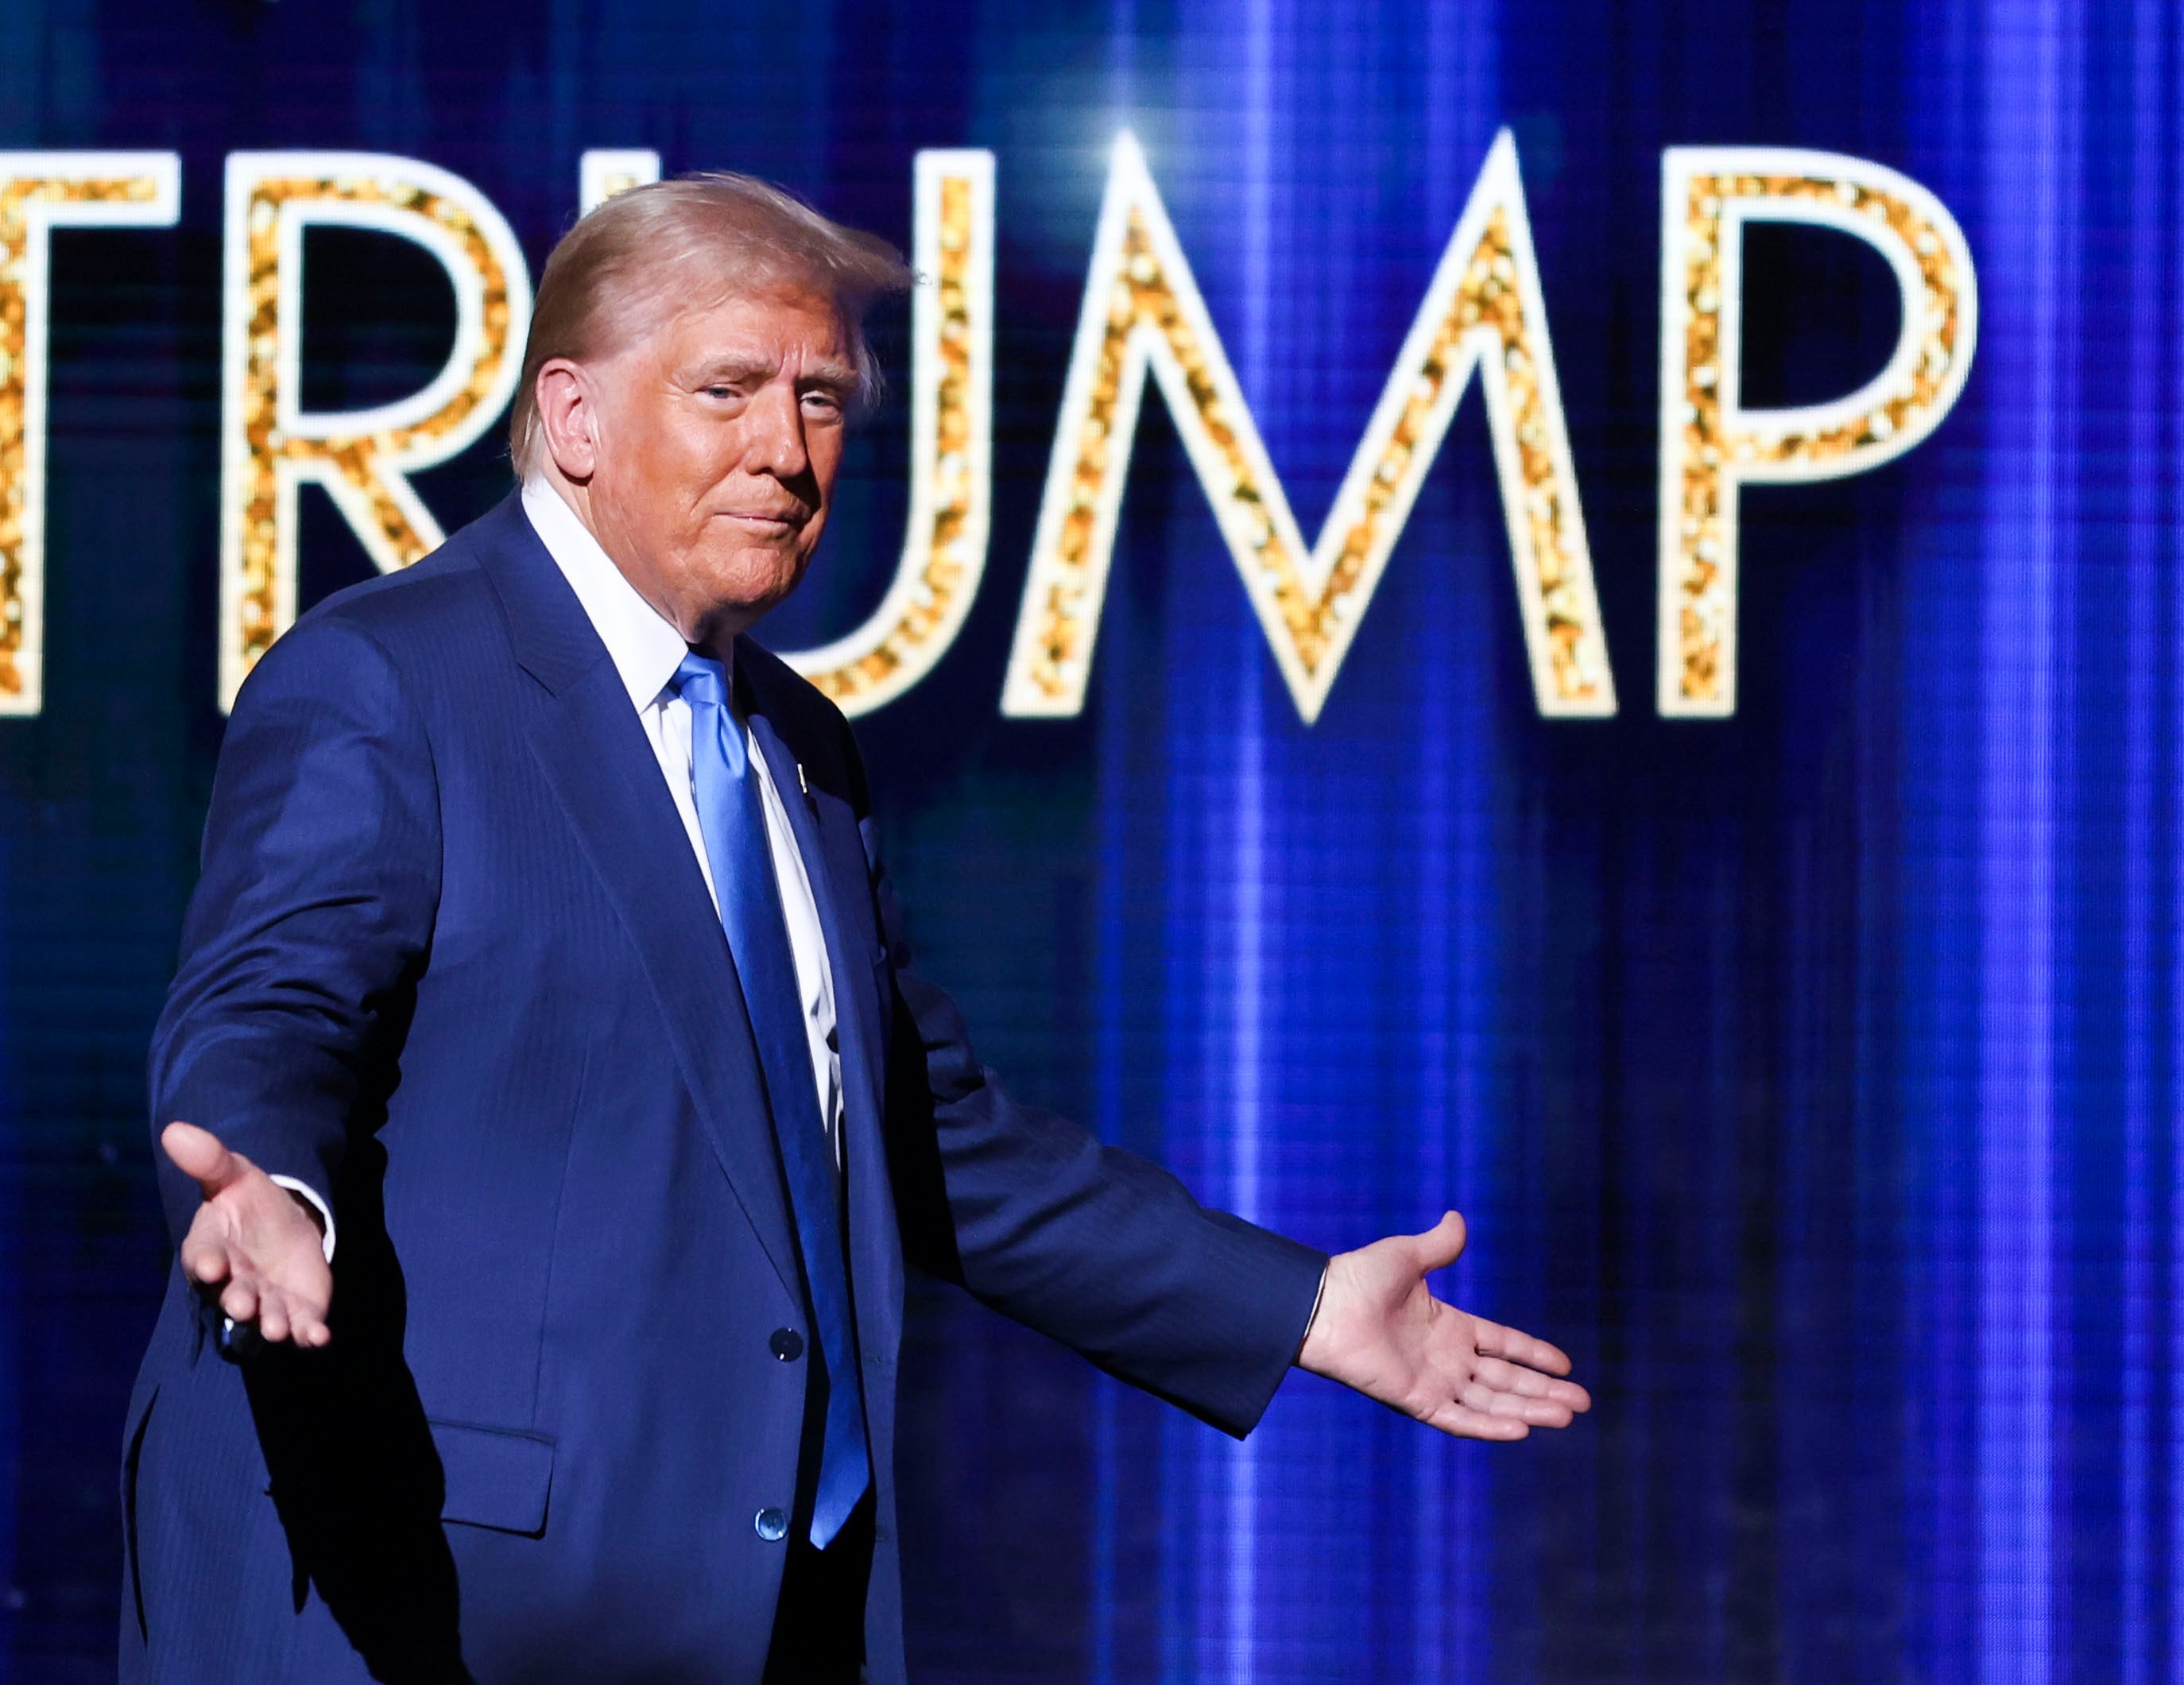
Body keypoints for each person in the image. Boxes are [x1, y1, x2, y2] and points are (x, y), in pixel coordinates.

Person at [118, 172, 1589, 1685]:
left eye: (821, 401)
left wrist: (1295, 1308)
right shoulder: (388, 681)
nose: (787, 450)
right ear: (572, 420)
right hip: (436, 1600)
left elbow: (922, 1139)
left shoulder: (796, 743)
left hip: (758, 1605)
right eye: (728, 390)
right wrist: (266, 1185)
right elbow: (268, 1010)